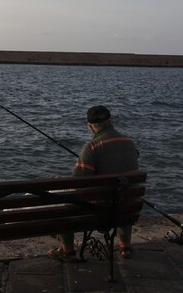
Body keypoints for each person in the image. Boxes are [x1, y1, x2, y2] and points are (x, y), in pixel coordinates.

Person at [48, 105, 140, 261]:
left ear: (90, 127)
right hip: (128, 209)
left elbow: (78, 184)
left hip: (99, 212)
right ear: (111, 121)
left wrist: (60, 181)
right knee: (122, 191)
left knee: (61, 203)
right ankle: (125, 246)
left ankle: (68, 251)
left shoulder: (91, 147)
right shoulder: (129, 142)